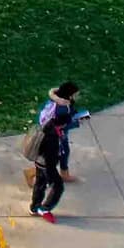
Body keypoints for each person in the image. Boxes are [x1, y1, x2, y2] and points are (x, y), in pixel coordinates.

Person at [28, 81, 84, 220]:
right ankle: (44, 208)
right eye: (76, 94)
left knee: (40, 184)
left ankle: (34, 207)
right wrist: (53, 172)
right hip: (48, 161)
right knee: (57, 187)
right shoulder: (54, 137)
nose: (77, 96)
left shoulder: (52, 106)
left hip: (41, 159)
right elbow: (51, 156)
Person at [37, 81, 89, 182]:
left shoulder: (56, 100)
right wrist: (78, 122)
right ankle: (61, 175)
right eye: (76, 95)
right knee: (60, 155)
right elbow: (62, 125)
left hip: (49, 132)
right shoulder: (63, 108)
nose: (77, 97)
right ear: (69, 96)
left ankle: (61, 174)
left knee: (53, 156)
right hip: (57, 136)